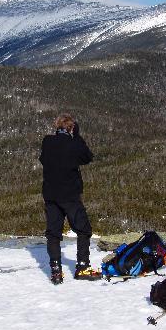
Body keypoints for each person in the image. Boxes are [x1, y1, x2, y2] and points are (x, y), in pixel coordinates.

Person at [39, 113, 101, 284]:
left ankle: (56, 271)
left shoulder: (47, 141)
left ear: (56, 126)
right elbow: (88, 157)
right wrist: (78, 137)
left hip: (50, 194)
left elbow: (43, 159)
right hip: (70, 195)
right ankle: (82, 266)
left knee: (53, 233)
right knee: (83, 230)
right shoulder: (74, 144)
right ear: (72, 128)